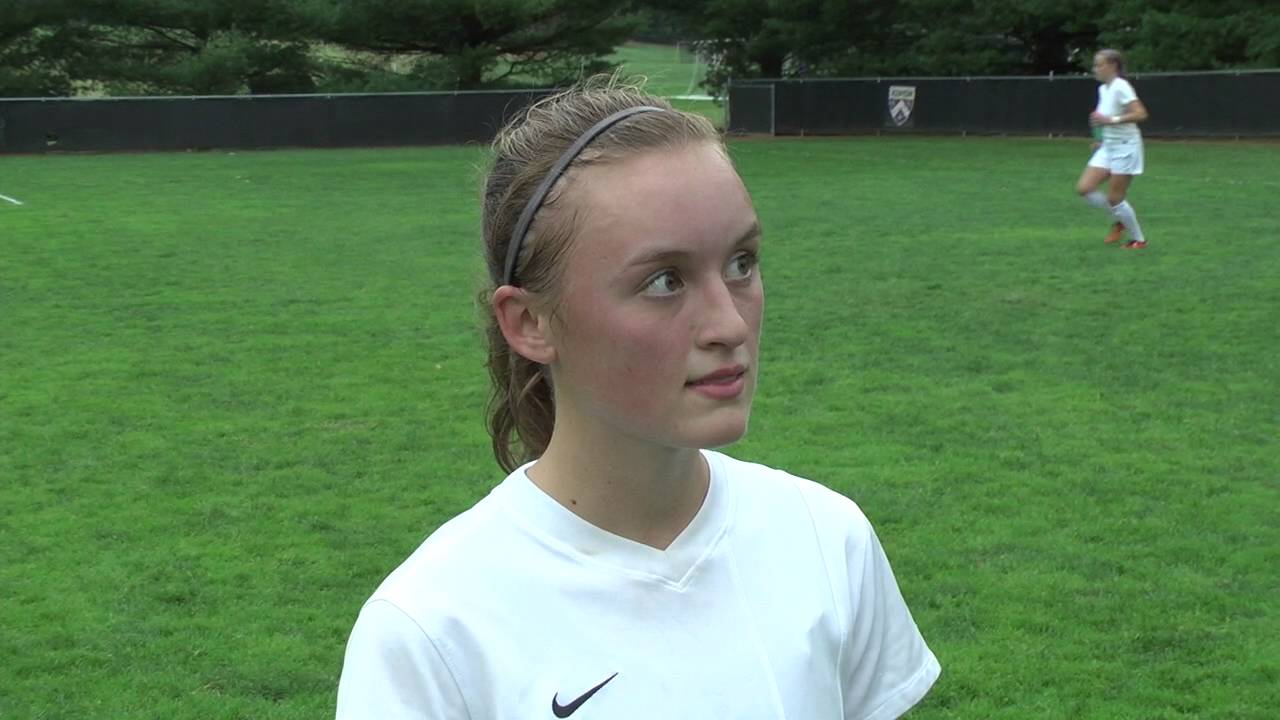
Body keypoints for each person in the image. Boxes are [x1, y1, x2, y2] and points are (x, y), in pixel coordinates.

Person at [335, 77, 940, 719]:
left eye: (742, 263)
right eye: (664, 281)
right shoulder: (433, 630)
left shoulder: (825, 539)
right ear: (531, 323)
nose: (730, 325)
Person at [1076, 48, 1151, 249]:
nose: (1095, 69)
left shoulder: (1121, 86)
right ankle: (1121, 219)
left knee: (1115, 198)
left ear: (1112, 66)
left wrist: (1111, 120)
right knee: (1084, 188)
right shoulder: (1103, 89)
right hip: (1108, 147)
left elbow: (1141, 113)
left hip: (1126, 147)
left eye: (1099, 65)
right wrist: (1100, 138)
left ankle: (1139, 240)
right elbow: (1102, 119)